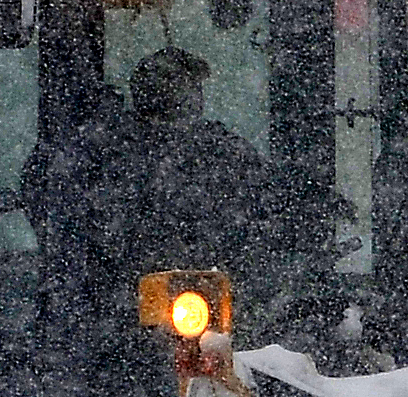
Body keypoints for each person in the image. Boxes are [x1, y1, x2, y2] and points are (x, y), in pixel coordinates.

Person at [32, 44, 340, 333]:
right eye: (187, 88)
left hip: (186, 311)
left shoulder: (101, 148)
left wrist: (308, 202)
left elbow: (267, 199)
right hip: (129, 319)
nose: (193, 98)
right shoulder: (111, 152)